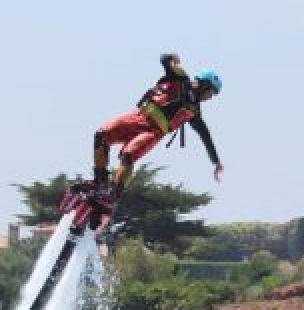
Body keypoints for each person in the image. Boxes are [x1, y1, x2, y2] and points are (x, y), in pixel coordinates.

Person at [90, 52, 224, 206]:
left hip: (152, 133)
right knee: (101, 135)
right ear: (204, 84)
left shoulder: (194, 112)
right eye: (211, 92)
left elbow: (205, 136)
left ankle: (113, 196)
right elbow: (164, 59)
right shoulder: (180, 78)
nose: (210, 98)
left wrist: (216, 162)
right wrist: (173, 58)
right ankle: (100, 182)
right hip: (136, 118)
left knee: (128, 155)